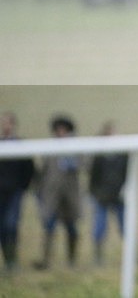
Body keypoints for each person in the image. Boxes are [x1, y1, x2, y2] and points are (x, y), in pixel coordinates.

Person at [33, 115, 83, 270]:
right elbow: (43, 171)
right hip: (52, 195)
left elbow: (84, 164)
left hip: (69, 195)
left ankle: (71, 260)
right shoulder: (50, 148)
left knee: (71, 227)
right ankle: (45, 260)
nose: (60, 132)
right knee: (49, 226)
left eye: (63, 129)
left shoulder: (76, 147)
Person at [88, 121, 127, 265]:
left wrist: (125, 190)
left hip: (120, 197)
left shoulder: (124, 155)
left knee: (126, 227)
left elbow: (130, 175)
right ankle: (98, 257)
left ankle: (133, 256)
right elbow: (93, 178)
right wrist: (95, 194)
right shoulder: (99, 157)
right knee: (99, 227)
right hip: (102, 198)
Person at [0, 112, 35, 271]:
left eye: (7, 122)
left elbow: (29, 169)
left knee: (11, 224)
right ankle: (7, 261)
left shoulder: (21, 145)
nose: (5, 126)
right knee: (2, 226)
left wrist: (23, 187)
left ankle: (12, 260)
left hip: (15, 191)